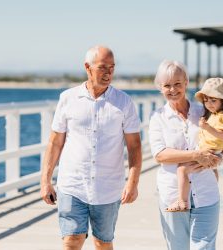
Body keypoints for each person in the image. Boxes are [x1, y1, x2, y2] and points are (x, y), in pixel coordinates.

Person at [40, 45, 142, 250]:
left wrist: (132, 183)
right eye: (103, 67)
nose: (108, 73)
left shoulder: (124, 102)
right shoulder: (67, 98)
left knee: (102, 243)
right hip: (72, 184)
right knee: (71, 241)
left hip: (108, 187)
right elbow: (55, 142)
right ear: (88, 67)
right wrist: (45, 181)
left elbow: (134, 147)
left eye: (112, 68)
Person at [148, 60, 223, 250]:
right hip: (172, 193)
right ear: (160, 88)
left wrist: (219, 159)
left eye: (177, 83)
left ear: (186, 82)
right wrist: (197, 155)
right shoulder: (157, 118)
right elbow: (160, 155)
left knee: (204, 247)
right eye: (167, 85)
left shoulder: (203, 111)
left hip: (206, 192)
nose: (173, 89)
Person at [165, 77, 223, 212]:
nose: (209, 104)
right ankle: (213, 188)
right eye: (206, 100)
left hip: (209, 150)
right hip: (209, 149)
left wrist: (207, 128)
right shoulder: (214, 114)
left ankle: (182, 201)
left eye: (213, 100)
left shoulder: (222, 116)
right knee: (213, 169)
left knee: (182, 170)